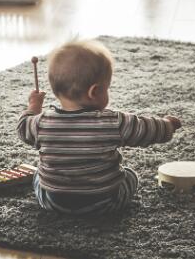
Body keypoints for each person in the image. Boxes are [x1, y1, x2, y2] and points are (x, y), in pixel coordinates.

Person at [17, 40, 181, 215]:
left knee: (37, 174)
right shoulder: (113, 122)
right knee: (130, 175)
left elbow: (22, 127)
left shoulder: (40, 123)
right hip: (105, 202)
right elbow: (147, 130)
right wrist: (168, 125)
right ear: (94, 92)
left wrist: (34, 105)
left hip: (53, 202)